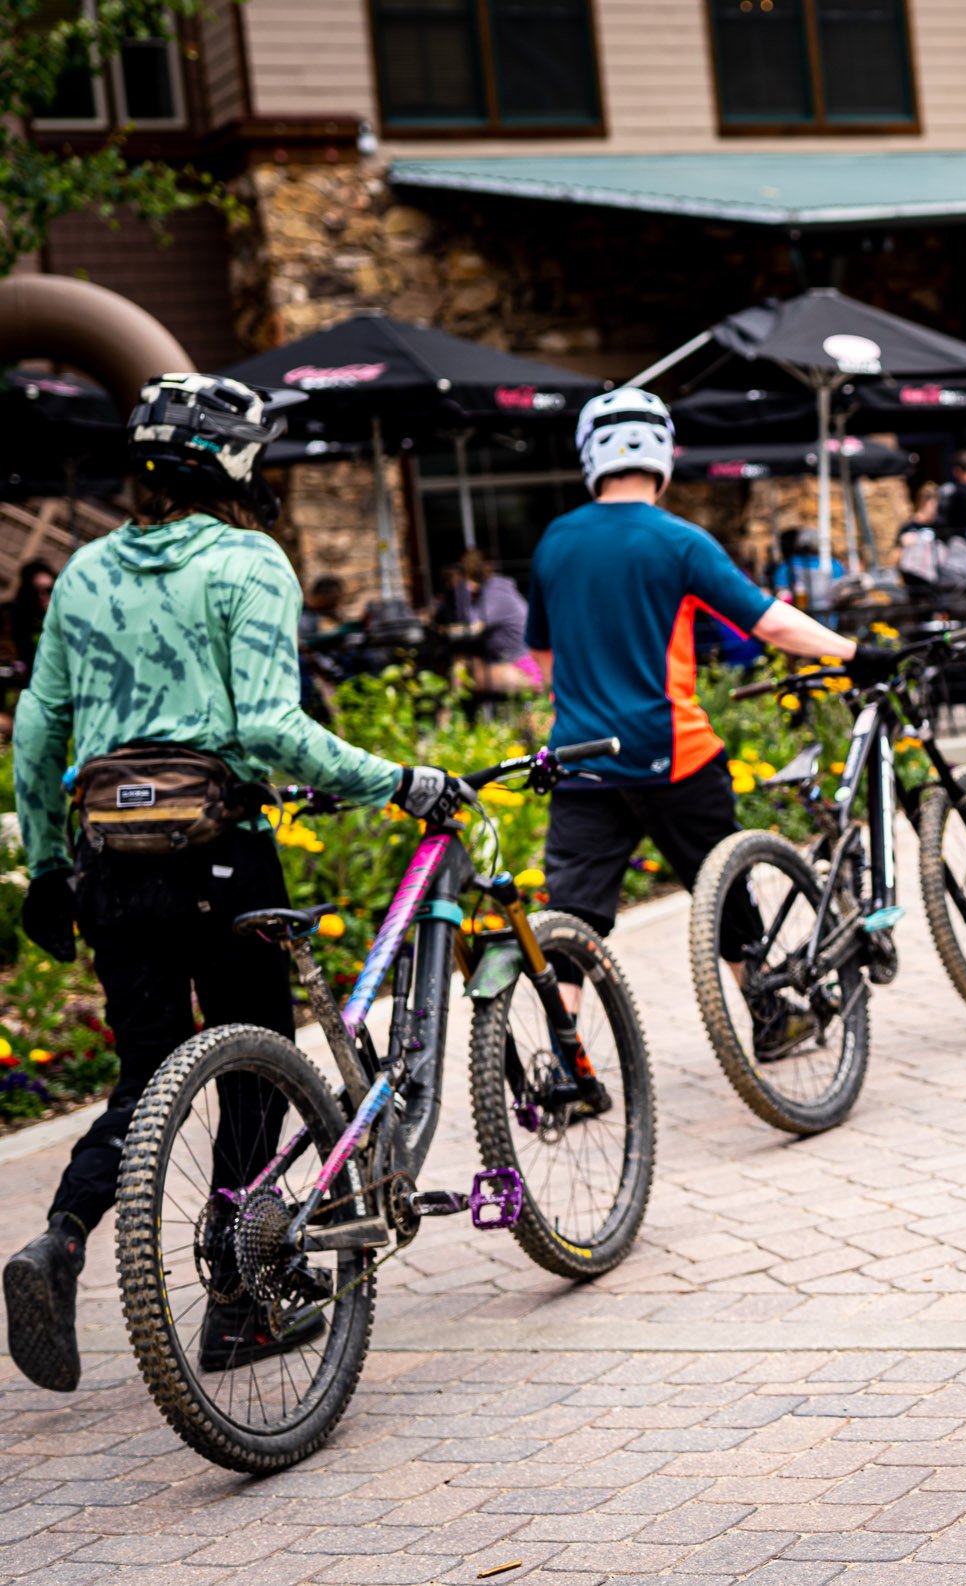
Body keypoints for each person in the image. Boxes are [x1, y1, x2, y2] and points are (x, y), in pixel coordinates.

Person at [4, 374, 461, 1393]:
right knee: (252, 1065)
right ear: (234, 462)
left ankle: (62, 1239)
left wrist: (43, 865)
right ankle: (240, 1309)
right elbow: (265, 726)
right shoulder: (247, 562)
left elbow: (38, 730)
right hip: (221, 852)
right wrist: (394, 780)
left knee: (148, 1074)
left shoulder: (81, 570)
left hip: (110, 862)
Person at [526, 389, 895, 1004]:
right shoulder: (678, 541)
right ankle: (768, 1014)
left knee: (574, 917)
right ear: (663, 457)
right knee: (723, 890)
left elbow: (544, 657)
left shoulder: (555, 541)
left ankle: (567, 1074)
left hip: (579, 759)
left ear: (591, 456)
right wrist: (855, 653)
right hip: (671, 753)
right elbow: (769, 623)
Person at [439, 548, 542, 694]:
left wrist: (461, 591)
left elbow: (472, 627)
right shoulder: (492, 591)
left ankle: (451, 712)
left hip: (526, 668)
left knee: (468, 675)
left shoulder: (496, 592)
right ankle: (452, 711)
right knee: (463, 662)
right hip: (512, 662)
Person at [7, 561, 53, 669]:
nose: (43, 596)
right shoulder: (14, 619)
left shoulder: (66, 619)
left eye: (49, 590)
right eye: (35, 591)